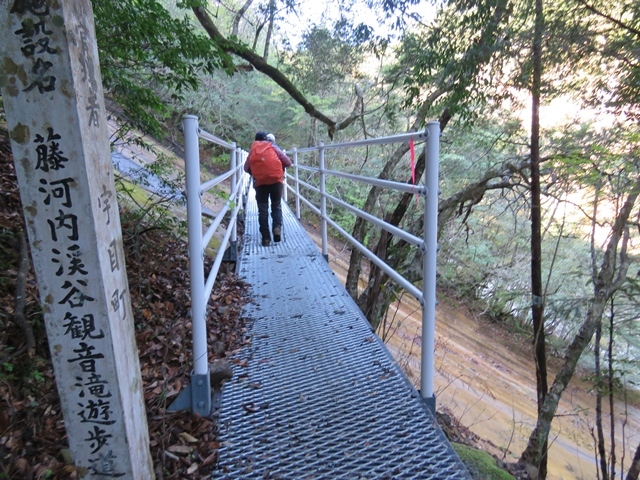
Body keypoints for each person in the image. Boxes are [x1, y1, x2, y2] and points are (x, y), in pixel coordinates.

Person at [245, 131, 291, 246]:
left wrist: (256, 172)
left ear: (255, 140)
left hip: (260, 184)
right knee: (276, 206)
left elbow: (246, 168)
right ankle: (276, 228)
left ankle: (265, 238)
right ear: (266, 139)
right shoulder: (273, 148)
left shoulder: (253, 151)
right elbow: (288, 162)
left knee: (262, 210)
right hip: (276, 182)